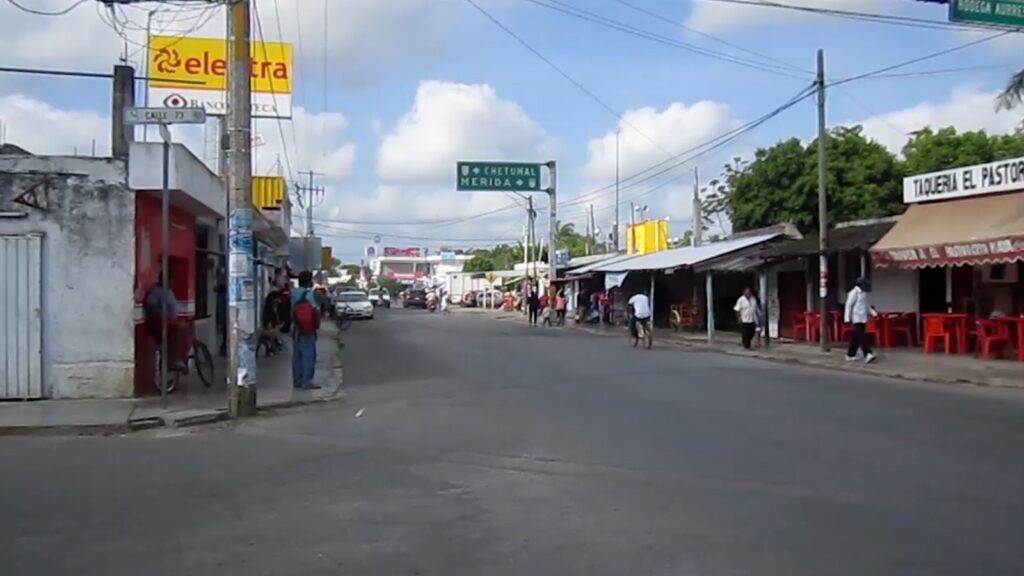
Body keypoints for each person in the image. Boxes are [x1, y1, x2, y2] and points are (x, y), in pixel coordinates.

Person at [144, 271, 187, 371]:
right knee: (182, 328)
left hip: (170, 321)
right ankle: (173, 358)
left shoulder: (168, 291)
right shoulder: (157, 291)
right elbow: (150, 305)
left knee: (186, 328)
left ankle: (178, 356)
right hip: (160, 323)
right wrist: (160, 314)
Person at [291, 271, 322, 389]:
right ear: (309, 281)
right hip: (308, 328)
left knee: (297, 355)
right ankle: (307, 381)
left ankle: (297, 380)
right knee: (308, 354)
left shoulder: (294, 293)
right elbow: (315, 309)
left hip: (297, 326)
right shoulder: (309, 294)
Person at [845, 277, 878, 363]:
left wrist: (873, 313)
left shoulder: (863, 293)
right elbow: (849, 305)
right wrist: (847, 318)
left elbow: (866, 305)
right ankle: (867, 353)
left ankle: (850, 354)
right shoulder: (854, 293)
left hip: (863, 317)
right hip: (856, 317)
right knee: (861, 337)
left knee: (856, 337)